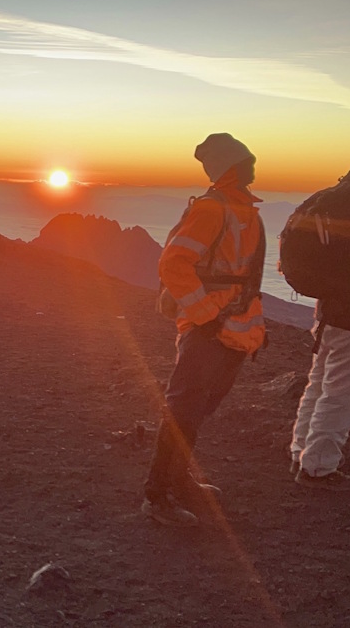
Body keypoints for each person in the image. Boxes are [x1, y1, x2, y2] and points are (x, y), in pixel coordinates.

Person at [143, 132, 267, 527]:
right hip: (209, 328)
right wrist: (205, 317)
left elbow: (243, 276)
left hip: (230, 328)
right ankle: (157, 497)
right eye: (245, 159)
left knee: (197, 411)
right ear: (230, 167)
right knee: (184, 411)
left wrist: (251, 328)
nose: (253, 164)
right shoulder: (213, 209)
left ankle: (179, 481)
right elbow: (174, 264)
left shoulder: (244, 209)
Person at [288, 146, 350, 491]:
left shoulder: (341, 202)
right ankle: (318, 468)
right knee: (344, 396)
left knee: (319, 385)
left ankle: (302, 450)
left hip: (330, 312)